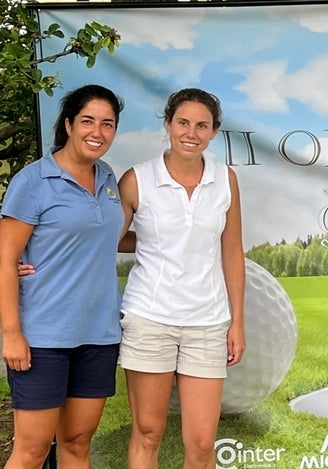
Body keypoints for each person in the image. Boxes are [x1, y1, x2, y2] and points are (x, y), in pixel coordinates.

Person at [117, 88, 246, 469]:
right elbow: (104, 239)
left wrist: (237, 321)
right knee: (148, 432)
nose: (191, 132)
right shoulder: (137, 179)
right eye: (183, 123)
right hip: (149, 318)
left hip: (208, 322)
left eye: (201, 125)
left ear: (214, 132)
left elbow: (232, 251)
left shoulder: (226, 179)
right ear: (169, 124)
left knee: (203, 442)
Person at [0, 84, 125, 469]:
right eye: (88, 121)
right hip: (43, 338)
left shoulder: (107, 178)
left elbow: (98, 237)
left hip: (98, 336)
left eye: (107, 124)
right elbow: (5, 260)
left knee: (76, 443)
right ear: (69, 124)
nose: (97, 132)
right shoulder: (33, 181)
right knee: (32, 451)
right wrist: (12, 334)